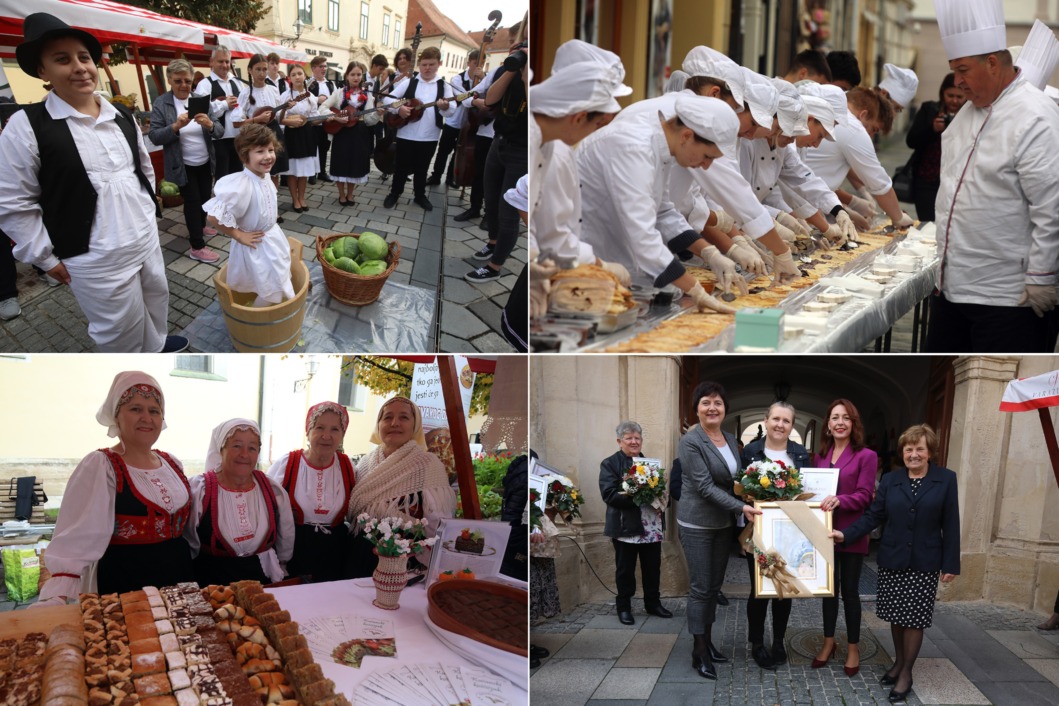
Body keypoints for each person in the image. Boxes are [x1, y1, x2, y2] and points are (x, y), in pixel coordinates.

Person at [0, 13, 186, 353]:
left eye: (84, 57)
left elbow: (142, 168)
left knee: (156, 302)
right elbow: (14, 203)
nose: (79, 66)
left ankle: (156, 345)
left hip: (143, 240)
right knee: (117, 331)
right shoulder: (26, 126)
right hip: (94, 257)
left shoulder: (121, 114)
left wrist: (148, 211)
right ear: (42, 71)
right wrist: (44, 257)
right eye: (62, 59)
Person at [928, 0, 1059, 353]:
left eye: (963, 71)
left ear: (992, 62)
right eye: (953, 71)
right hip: (952, 291)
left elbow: (1051, 206)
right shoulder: (968, 114)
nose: (957, 82)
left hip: (1008, 299)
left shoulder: (1036, 115)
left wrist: (1044, 278)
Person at [36, 372, 195, 604]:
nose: (146, 418)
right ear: (116, 416)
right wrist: (57, 593)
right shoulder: (102, 465)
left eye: (154, 411)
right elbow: (78, 533)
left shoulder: (172, 463)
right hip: (126, 580)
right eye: (135, 409)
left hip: (180, 575)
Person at [576, 91, 744, 309]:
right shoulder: (634, 147)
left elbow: (663, 212)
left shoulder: (661, 145)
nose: (706, 166)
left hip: (618, 261)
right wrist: (694, 289)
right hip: (590, 256)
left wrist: (709, 252)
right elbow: (642, 234)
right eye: (707, 156)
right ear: (686, 136)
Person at [829, 424, 960, 703]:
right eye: (909, 449)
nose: (913, 454)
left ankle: (906, 674)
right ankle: (899, 663)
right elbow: (873, 516)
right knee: (897, 616)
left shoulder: (946, 479)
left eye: (919, 449)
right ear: (902, 452)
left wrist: (951, 563)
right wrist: (846, 533)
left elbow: (951, 523)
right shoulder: (891, 480)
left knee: (914, 619)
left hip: (925, 561)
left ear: (930, 452)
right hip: (893, 559)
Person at [529, 39, 633, 282]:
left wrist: (536, 256)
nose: (603, 126)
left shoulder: (550, 141)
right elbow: (550, 230)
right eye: (598, 123)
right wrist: (600, 265)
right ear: (579, 117)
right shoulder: (547, 145)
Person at [678, 381, 762, 679]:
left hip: (722, 524)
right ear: (697, 408)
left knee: (714, 587)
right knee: (701, 588)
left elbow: (736, 480)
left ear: (725, 408)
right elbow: (703, 486)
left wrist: (757, 493)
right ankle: (698, 650)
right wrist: (741, 508)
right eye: (705, 402)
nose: (712, 407)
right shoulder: (691, 441)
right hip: (697, 522)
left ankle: (708, 641)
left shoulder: (729, 438)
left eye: (717, 402)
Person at [344, 397, 457, 578]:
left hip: (402, 558)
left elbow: (437, 521)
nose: (394, 423)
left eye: (404, 417)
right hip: (360, 553)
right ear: (378, 424)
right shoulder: (365, 463)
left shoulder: (427, 464)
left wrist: (430, 562)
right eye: (387, 417)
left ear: (415, 425)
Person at [740, 401, 811, 671]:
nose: (780, 425)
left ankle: (779, 640)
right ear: (766, 420)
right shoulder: (751, 452)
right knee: (759, 589)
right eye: (776, 419)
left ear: (791, 426)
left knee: (783, 588)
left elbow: (808, 488)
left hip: (789, 530)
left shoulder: (800, 453)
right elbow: (741, 488)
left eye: (786, 421)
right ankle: (757, 643)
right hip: (758, 529)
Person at [810, 399, 878, 677]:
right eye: (835, 417)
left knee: (850, 593)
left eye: (846, 418)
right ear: (828, 424)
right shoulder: (820, 456)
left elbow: (865, 495)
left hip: (851, 534)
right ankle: (828, 643)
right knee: (828, 592)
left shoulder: (866, 456)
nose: (839, 422)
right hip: (823, 532)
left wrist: (840, 499)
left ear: (853, 424)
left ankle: (853, 647)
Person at [188, 418, 295, 586]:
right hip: (213, 580)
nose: (244, 454)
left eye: (252, 448)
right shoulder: (200, 489)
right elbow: (189, 540)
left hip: (261, 577)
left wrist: (283, 561)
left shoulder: (271, 488)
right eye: (236, 446)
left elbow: (286, 531)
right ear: (221, 449)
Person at [203, 123, 295, 307]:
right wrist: (238, 235)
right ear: (245, 156)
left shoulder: (265, 176)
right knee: (270, 288)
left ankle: (271, 311)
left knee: (275, 279)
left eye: (270, 150)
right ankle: (257, 322)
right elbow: (213, 217)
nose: (268, 156)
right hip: (256, 244)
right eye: (260, 151)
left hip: (271, 239)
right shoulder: (240, 185)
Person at [464, 23, 529, 283]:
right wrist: (512, 70)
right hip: (499, 141)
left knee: (508, 209)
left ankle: (495, 265)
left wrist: (526, 77)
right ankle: (493, 242)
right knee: (490, 200)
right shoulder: (508, 67)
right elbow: (490, 99)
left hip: (524, 149)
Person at [266, 402, 355, 583]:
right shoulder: (288, 463)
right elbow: (267, 508)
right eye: (319, 427)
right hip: (293, 548)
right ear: (308, 431)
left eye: (335, 429)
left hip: (335, 552)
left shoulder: (348, 466)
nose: (326, 436)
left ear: (342, 434)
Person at [802, 87, 914, 230]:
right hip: (798, 209)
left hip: (810, 205)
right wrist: (898, 217)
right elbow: (879, 183)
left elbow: (811, 179)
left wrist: (842, 207)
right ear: (863, 115)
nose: (871, 136)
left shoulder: (842, 124)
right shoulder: (853, 128)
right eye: (873, 129)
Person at [149, 58, 224, 264]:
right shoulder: (162, 103)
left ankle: (200, 226)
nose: (183, 85)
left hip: (205, 161)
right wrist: (175, 126)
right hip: (182, 164)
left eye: (187, 81)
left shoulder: (201, 99)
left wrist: (209, 124)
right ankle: (197, 247)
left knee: (204, 197)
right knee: (192, 202)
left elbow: (219, 131)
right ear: (169, 81)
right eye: (178, 81)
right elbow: (155, 136)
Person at [599, 421, 673, 626]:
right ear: (619, 441)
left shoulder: (650, 464)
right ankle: (624, 607)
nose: (634, 442)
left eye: (637, 438)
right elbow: (609, 494)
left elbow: (659, 490)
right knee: (625, 570)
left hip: (651, 526)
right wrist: (638, 494)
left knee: (653, 567)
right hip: (625, 527)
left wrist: (658, 493)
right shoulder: (610, 464)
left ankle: (653, 603)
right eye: (629, 438)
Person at [382, 46, 455, 212]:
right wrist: (399, 109)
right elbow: (388, 101)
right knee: (401, 166)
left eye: (431, 64)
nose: (427, 68)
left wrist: (445, 107)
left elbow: (452, 111)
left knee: (422, 168)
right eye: (424, 65)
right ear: (419, 65)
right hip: (406, 133)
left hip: (430, 136)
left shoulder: (444, 86)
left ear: (439, 64)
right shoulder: (410, 82)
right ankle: (395, 193)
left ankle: (420, 195)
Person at [231, 54, 297, 203]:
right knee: (258, 173)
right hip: (255, 135)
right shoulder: (245, 93)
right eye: (258, 69)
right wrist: (256, 119)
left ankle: (272, 206)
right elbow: (236, 123)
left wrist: (287, 108)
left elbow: (279, 116)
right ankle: (259, 205)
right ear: (250, 70)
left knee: (274, 173)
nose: (262, 73)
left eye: (264, 70)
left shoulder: (273, 90)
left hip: (273, 133)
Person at [320, 61, 383, 207]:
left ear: (362, 76)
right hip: (342, 133)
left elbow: (368, 120)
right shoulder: (339, 93)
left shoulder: (367, 95)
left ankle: (350, 194)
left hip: (359, 133)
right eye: (352, 74)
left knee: (355, 163)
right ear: (347, 76)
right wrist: (335, 117)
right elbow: (322, 108)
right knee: (340, 163)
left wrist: (378, 115)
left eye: (358, 74)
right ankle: (341, 195)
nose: (355, 77)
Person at [905, 74, 965, 222]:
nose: (954, 101)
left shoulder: (969, 115)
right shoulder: (929, 110)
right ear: (942, 92)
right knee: (927, 223)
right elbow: (911, 141)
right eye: (950, 95)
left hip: (956, 182)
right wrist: (932, 129)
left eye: (959, 97)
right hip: (927, 179)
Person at [428, 50, 480, 187]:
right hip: (453, 121)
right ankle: (436, 176)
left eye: (480, 64)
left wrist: (483, 79)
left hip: (470, 124)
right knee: (444, 150)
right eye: (475, 63)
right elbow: (462, 98)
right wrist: (476, 93)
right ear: (469, 63)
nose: (477, 67)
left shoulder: (483, 79)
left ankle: (452, 177)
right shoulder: (457, 79)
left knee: (460, 152)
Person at [194, 45, 243, 179]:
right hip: (218, 140)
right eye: (220, 61)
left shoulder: (236, 82)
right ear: (211, 62)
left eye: (227, 61)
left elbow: (244, 104)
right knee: (222, 177)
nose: (225, 65)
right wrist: (225, 104)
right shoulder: (204, 84)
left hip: (238, 137)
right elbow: (202, 111)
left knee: (238, 176)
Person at [279, 64, 319, 213]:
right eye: (294, 74)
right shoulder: (285, 96)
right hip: (291, 135)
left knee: (304, 170)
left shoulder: (311, 97)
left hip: (307, 134)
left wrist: (326, 118)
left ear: (304, 76)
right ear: (290, 78)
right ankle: (294, 200)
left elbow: (314, 117)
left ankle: (302, 198)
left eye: (299, 73)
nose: (297, 77)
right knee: (293, 170)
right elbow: (279, 118)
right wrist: (285, 109)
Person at [307, 56, 337, 183]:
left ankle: (322, 172)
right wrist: (316, 99)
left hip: (326, 121)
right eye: (321, 66)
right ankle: (312, 173)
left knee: (324, 147)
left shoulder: (331, 84)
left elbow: (336, 100)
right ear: (313, 68)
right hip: (313, 122)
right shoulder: (308, 83)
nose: (324, 69)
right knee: (312, 148)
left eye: (325, 66)